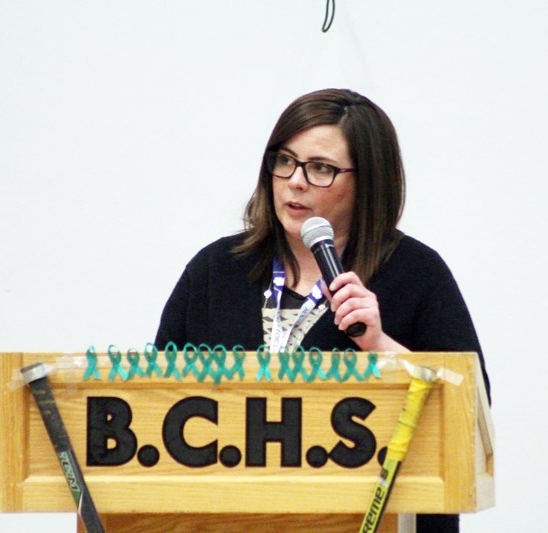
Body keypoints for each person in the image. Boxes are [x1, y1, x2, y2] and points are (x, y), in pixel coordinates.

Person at [155, 88, 490, 532]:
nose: (295, 181)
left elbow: (469, 421)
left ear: (367, 181)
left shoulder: (415, 273)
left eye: (321, 169)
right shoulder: (217, 270)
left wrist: (380, 345)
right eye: (285, 160)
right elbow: (155, 400)